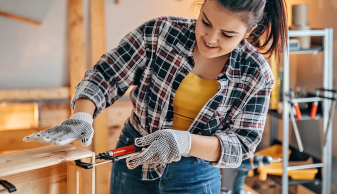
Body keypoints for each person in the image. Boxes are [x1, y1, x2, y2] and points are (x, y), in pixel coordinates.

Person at [24, 0, 287, 193]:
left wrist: (183, 142)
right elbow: (106, 75)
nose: (210, 37)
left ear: (249, 33)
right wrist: (82, 114)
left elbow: (241, 145)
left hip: (195, 174)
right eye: (205, 21)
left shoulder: (256, 74)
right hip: (133, 158)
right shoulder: (160, 33)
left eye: (228, 34)